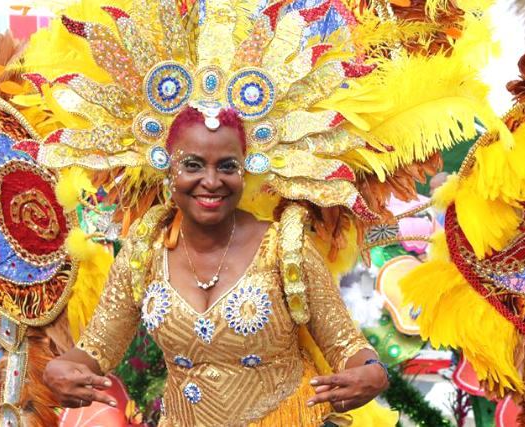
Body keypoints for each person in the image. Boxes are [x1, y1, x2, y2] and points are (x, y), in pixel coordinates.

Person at [43, 107, 390, 426]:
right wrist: (60, 368)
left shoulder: (285, 248)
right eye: (193, 165)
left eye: (227, 166)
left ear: (245, 170)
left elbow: (346, 346)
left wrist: (372, 372)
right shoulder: (145, 249)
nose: (211, 181)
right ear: (168, 168)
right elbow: (97, 348)